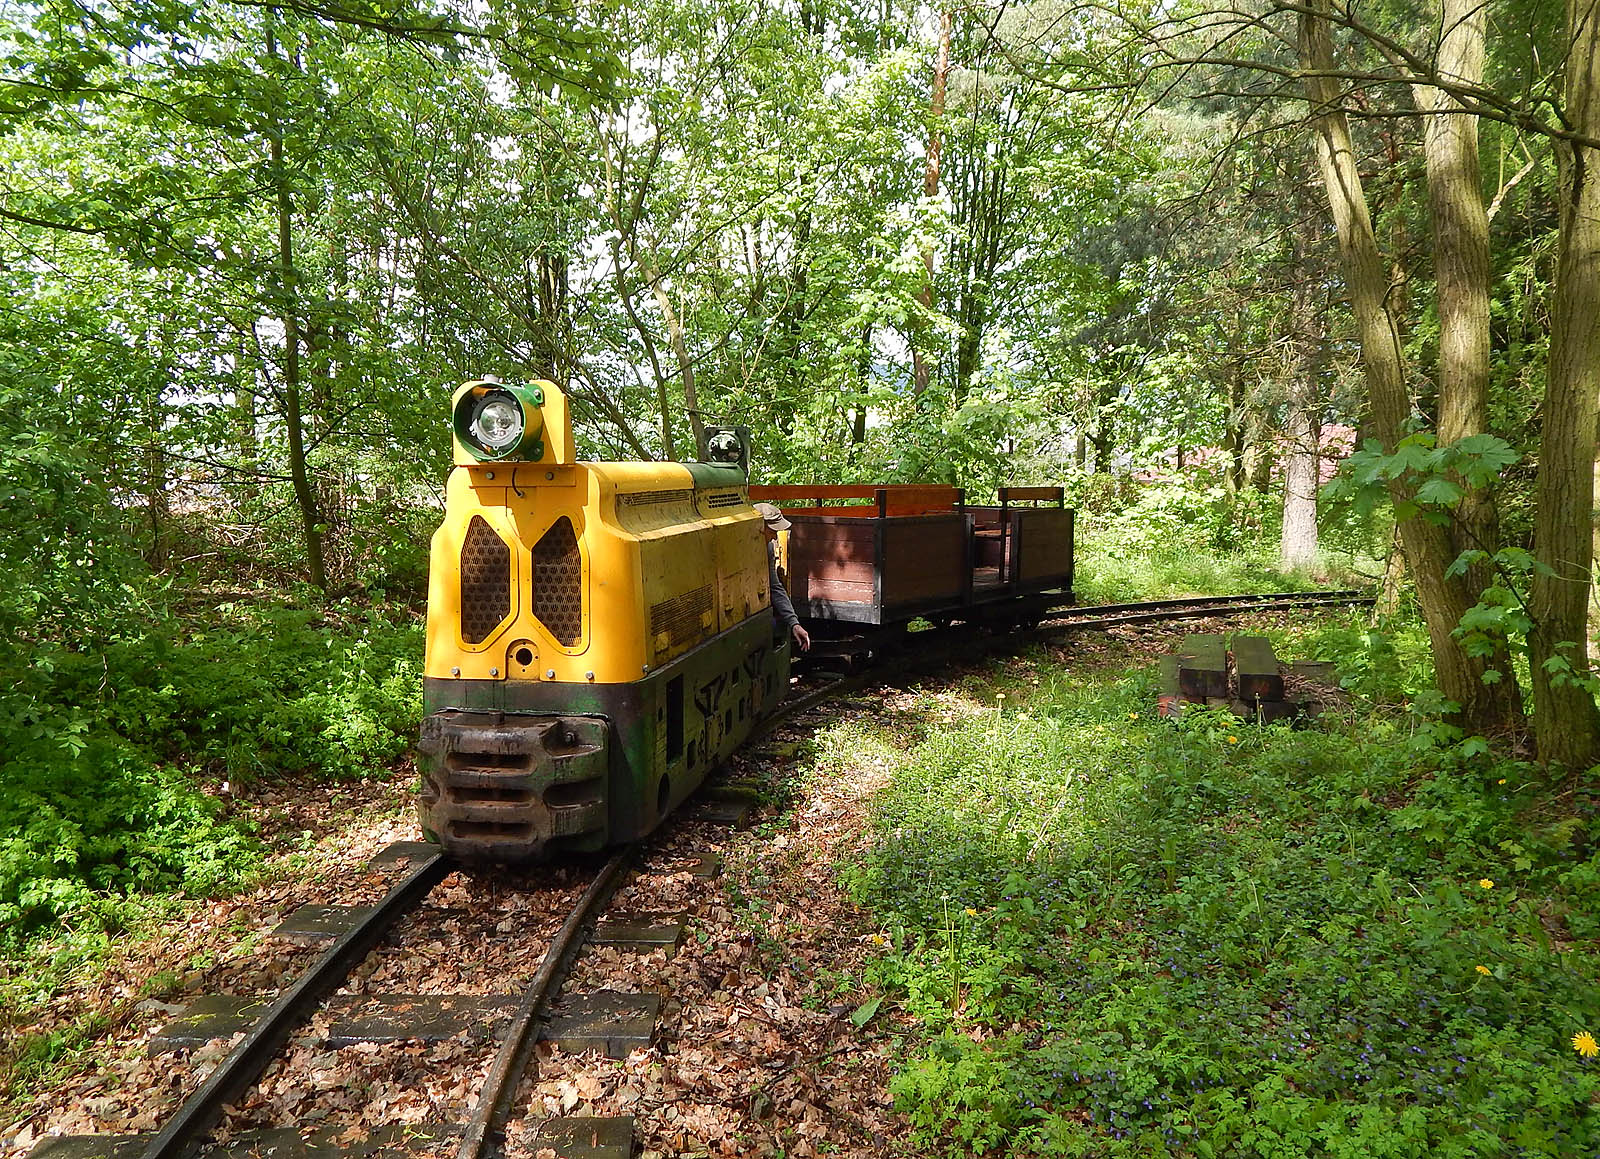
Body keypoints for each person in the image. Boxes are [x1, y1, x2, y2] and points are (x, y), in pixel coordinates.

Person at [754, 502, 811, 653]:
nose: (775, 537)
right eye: (772, 531)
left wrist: (794, 624)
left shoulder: (767, 548)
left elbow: (775, 586)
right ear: (758, 527)